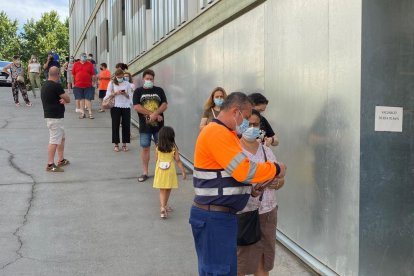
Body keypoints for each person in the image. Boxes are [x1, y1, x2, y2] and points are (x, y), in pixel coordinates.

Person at [189, 92, 286, 276]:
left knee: (224, 270)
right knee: (218, 271)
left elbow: (233, 175)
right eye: (247, 117)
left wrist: (250, 189)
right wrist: (276, 168)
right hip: (214, 217)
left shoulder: (227, 134)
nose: (248, 123)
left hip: (221, 216)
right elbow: (244, 170)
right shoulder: (217, 133)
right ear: (236, 112)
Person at [237, 109, 285, 276]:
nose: (251, 127)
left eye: (255, 124)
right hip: (244, 214)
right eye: (248, 123)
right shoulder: (234, 151)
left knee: (263, 262)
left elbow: (280, 178)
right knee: (240, 262)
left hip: (267, 212)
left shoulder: (266, 151)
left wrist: (279, 182)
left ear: (260, 127)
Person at [133, 69, 168, 182]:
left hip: (159, 127)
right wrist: (152, 114)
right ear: (143, 79)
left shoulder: (159, 90)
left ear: (154, 79)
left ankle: (159, 172)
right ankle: (145, 172)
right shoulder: (138, 91)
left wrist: (156, 113)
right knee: (145, 149)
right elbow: (137, 107)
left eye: (151, 79)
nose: (149, 80)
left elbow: (164, 104)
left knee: (160, 149)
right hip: (145, 127)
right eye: (147, 79)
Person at [40, 66, 70, 172]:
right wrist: (64, 99)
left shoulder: (45, 85)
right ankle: (50, 164)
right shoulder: (56, 86)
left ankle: (61, 160)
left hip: (51, 116)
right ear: (57, 75)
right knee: (54, 140)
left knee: (61, 138)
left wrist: (61, 99)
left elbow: (53, 99)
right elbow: (68, 98)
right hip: (55, 118)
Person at [153, 126, 187, 219]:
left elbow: (156, 159)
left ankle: (163, 207)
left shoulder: (157, 146)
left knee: (162, 190)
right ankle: (164, 206)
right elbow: (178, 160)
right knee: (168, 189)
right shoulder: (173, 147)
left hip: (160, 170)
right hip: (170, 171)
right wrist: (183, 171)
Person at [103, 69, 133, 152]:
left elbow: (130, 96)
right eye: (118, 77)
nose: (120, 78)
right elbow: (107, 94)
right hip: (115, 105)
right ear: (115, 76)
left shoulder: (127, 84)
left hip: (126, 106)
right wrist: (115, 93)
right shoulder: (112, 83)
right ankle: (116, 144)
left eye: (121, 77)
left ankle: (124, 144)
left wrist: (125, 94)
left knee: (126, 125)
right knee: (115, 125)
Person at [72, 53, 96, 119]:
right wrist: (73, 83)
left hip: (88, 85)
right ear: (80, 57)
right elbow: (73, 75)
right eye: (83, 56)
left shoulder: (89, 64)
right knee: (81, 99)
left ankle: (90, 113)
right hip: (78, 85)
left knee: (88, 99)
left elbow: (93, 74)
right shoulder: (76, 64)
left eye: (85, 57)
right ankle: (83, 113)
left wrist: (93, 82)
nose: (84, 58)